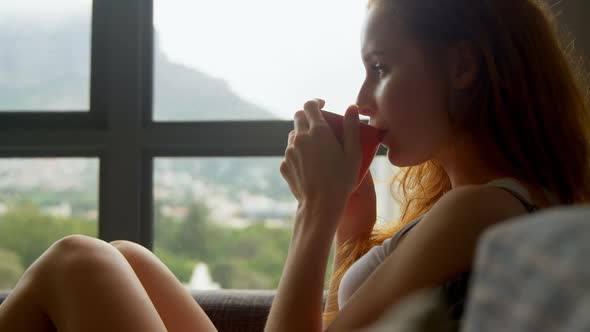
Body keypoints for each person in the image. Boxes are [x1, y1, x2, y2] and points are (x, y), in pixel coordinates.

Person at [0, 0, 588, 331]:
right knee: (127, 258)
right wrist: (349, 229)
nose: (361, 97)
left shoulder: (482, 205)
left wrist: (316, 209)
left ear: (463, 68)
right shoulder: (486, 202)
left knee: (80, 260)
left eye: (381, 67)